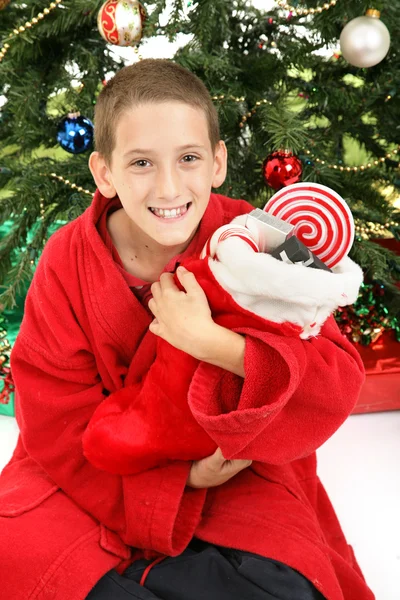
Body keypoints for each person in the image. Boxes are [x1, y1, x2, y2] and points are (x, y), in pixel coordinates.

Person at [0, 58, 374, 600]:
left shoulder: (260, 238)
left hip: (235, 470)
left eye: (189, 158)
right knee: (23, 551)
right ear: (104, 172)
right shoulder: (66, 260)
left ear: (218, 162)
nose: (169, 187)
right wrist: (177, 482)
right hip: (94, 471)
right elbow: (56, 421)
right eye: (141, 163)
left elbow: (334, 382)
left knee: (289, 581)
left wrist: (214, 345)